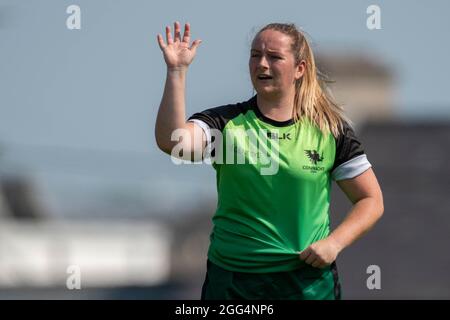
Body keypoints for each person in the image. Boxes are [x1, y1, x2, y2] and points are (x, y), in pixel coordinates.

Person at [155, 21, 384, 300]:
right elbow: (172, 142)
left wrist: (334, 243)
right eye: (255, 55)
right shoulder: (226, 124)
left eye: (274, 57)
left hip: (306, 282)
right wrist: (176, 72)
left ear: (299, 68)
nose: (262, 64)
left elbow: (371, 200)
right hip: (232, 282)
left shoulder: (330, 130)